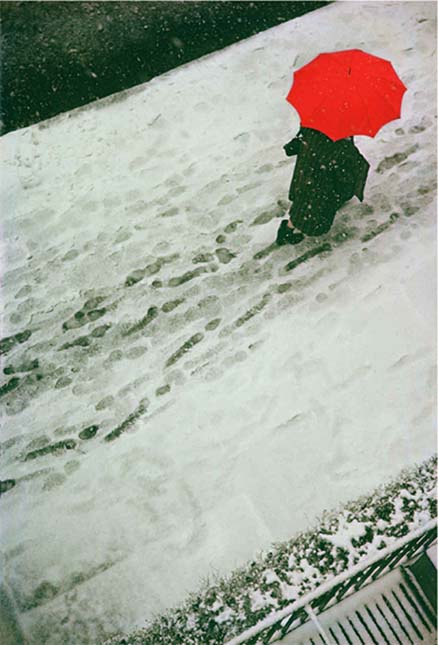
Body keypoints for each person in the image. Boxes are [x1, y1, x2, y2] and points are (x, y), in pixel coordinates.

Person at [276, 126, 370, 245]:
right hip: (318, 173)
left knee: (306, 200)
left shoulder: (317, 123)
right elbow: (340, 156)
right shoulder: (334, 139)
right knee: (309, 205)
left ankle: (291, 227)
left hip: (310, 166)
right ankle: (287, 230)